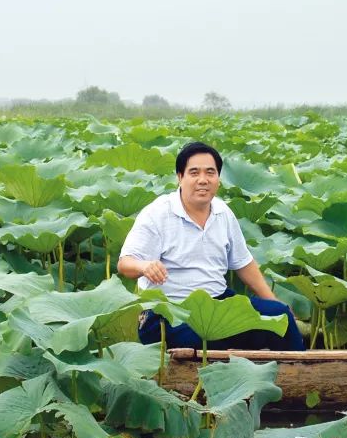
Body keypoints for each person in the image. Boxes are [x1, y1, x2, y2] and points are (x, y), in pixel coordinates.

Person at [118, 141, 305, 351]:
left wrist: (276, 303)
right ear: (180, 177)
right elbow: (125, 264)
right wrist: (144, 267)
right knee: (213, 336)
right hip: (167, 312)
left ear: (218, 179)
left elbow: (243, 263)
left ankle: (301, 378)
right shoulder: (157, 213)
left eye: (210, 173)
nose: (202, 180)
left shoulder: (223, 212)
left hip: (217, 304)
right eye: (194, 173)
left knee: (280, 317)